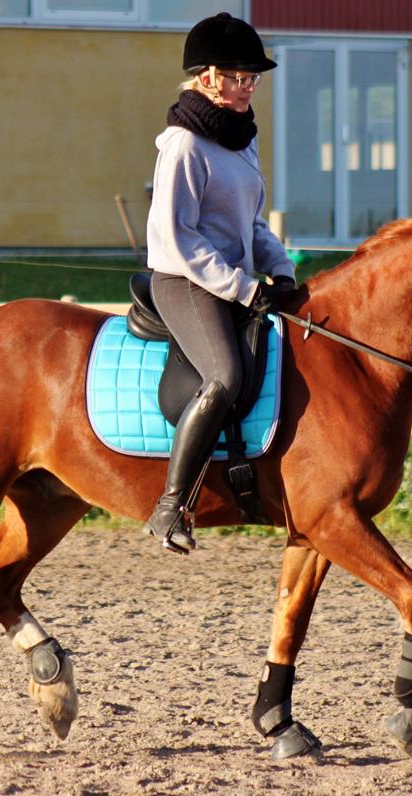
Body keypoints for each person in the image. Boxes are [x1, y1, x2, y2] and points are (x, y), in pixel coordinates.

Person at [144, 12, 297, 554]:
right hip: (185, 282)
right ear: (207, 77)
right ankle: (170, 507)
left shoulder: (240, 140)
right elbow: (177, 234)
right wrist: (243, 287)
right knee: (225, 375)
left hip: (232, 281)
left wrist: (281, 268)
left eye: (254, 78)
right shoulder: (184, 145)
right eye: (240, 77)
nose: (250, 86)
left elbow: (251, 223)